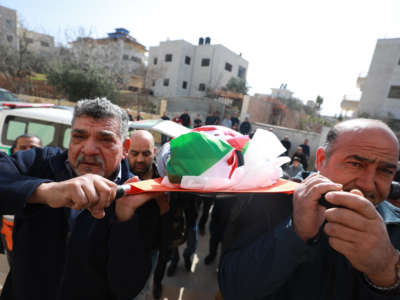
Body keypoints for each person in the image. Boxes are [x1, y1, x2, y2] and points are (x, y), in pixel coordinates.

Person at [0, 98, 163, 300]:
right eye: (79, 137)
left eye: (105, 140)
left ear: (125, 147)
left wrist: (124, 219)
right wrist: (44, 191)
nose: (89, 149)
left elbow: (127, 288)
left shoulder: (139, 197)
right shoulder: (40, 163)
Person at [219, 118, 400, 299]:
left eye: (385, 171)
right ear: (321, 160)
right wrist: (295, 232)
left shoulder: (395, 225)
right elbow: (233, 289)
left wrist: (385, 273)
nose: (368, 184)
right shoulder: (269, 202)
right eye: (355, 164)